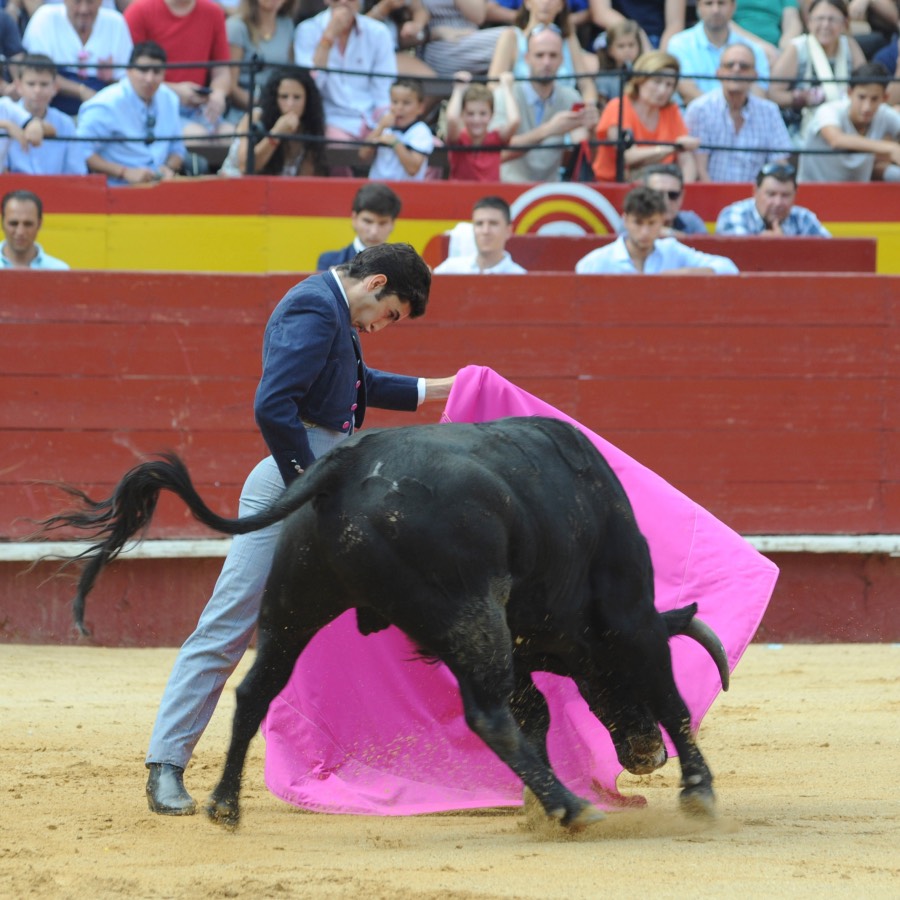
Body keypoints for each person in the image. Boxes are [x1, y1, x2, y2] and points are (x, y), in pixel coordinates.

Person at [143, 242, 456, 816]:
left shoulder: (333, 307)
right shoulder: (315, 307)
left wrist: (438, 388)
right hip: (299, 481)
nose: (383, 327)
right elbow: (273, 405)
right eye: (390, 314)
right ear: (374, 282)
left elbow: (359, 383)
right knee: (231, 621)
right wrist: (305, 485)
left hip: (332, 475)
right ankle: (166, 763)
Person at [492, 24, 598, 183]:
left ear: (562, 59)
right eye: (540, 55)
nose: (546, 62)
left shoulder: (571, 97)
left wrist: (592, 131)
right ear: (527, 58)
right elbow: (495, 154)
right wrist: (549, 130)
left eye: (553, 55)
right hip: (507, 187)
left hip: (550, 193)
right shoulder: (504, 95)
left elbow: (584, 155)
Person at [76, 41, 186, 184]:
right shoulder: (106, 104)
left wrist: (168, 167)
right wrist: (123, 172)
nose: (150, 79)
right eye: (143, 70)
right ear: (129, 71)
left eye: (157, 72)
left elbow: (177, 148)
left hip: (161, 189)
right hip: (116, 192)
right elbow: (80, 150)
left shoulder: (170, 99)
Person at [125, 0, 233, 143]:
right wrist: (175, 91)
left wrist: (218, 94)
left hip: (200, 106)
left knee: (231, 137)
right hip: (153, 107)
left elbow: (222, 71)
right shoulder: (139, 11)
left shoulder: (213, 12)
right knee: (197, 137)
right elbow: (127, 75)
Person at [684, 42, 793, 182]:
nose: (736, 70)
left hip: (757, 200)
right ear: (719, 73)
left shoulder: (770, 111)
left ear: (755, 75)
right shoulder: (700, 109)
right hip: (712, 196)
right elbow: (699, 170)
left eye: (744, 66)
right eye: (729, 65)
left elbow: (780, 165)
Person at [294, 0, 396, 143]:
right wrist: (328, 37)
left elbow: (383, 89)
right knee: (336, 147)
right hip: (330, 119)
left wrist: (384, 125)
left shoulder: (379, 32)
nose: (344, 2)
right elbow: (312, 86)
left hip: (371, 118)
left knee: (427, 147)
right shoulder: (307, 30)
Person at [576, 186, 738, 274]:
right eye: (638, 223)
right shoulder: (597, 262)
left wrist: (685, 273)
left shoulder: (672, 250)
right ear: (625, 220)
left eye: (651, 223)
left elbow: (728, 268)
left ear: (662, 221)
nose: (645, 232)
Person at [592, 50, 699, 182]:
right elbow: (628, 156)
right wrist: (672, 147)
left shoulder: (671, 110)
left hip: (662, 188)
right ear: (640, 80)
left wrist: (684, 192)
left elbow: (686, 158)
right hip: (615, 187)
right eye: (657, 81)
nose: (663, 91)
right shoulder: (617, 107)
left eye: (669, 84)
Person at [768, 0, 866, 143]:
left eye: (832, 19)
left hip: (847, 124)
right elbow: (772, 94)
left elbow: (867, 82)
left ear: (845, 22)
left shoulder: (849, 45)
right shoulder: (798, 47)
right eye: (820, 18)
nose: (825, 25)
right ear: (808, 21)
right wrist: (803, 97)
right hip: (804, 128)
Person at [22, 0, 134, 116]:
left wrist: (105, 89)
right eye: (77, 2)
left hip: (103, 113)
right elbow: (36, 74)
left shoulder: (116, 22)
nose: (83, 9)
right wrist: (82, 91)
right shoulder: (44, 18)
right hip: (52, 113)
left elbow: (124, 79)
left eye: (90, 3)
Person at [798, 61, 900, 182]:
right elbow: (836, 139)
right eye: (861, 97)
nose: (867, 107)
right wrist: (891, 148)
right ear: (849, 93)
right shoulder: (828, 110)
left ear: (885, 98)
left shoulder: (885, 114)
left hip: (860, 195)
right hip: (812, 193)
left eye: (874, 99)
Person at [219, 65, 327, 176]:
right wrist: (276, 134)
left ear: (307, 100)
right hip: (234, 185)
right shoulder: (255, 117)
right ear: (274, 98)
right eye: (284, 97)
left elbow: (304, 181)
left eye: (297, 97)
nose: (290, 104)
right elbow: (245, 166)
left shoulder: (310, 127)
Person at [487, 0, 599, 106]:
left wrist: (588, 108)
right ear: (527, 2)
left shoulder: (568, 38)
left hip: (564, 113)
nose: (546, 3)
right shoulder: (511, 37)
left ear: (561, 5)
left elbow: (586, 85)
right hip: (521, 116)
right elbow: (493, 85)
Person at [666, 0, 770, 107]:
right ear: (698, 7)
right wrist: (722, 113)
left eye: (721, 3)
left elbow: (759, 94)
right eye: (709, 3)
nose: (715, 10)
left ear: (733, 7)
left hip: (744, 120)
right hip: (695, 119)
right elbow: (687, 91)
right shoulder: (679, 44)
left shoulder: (754, 49)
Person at [8, 55, 86, 175]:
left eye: (44, 84)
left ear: (55, 87)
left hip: (57, 190)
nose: (37, 90)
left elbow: (76, 173)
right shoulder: (5, 117)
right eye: (31, 84)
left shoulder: (65, 124)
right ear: (18, 86)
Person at [225, 0, 296, 121]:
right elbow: (231, 87)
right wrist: (264, 107)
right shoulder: (236, 26)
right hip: (243, 112)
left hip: (280, 107)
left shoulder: (287, 25)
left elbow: (291, 74)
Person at [715, 161, 831, 234]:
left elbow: (830, 251)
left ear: (795, 195)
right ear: (755, 192)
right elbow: (737, 254)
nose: (778, 202)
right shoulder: (734, 215)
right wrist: (765, 245)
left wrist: (785, 246)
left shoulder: (803, 218)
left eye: (785, 195)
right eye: (771, 194)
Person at [445, 70, 520, 181]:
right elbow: (452, 118)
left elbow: (515, 121)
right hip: (461, 196)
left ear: (492, 115)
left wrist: (507, 89)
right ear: (462, 115)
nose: (476, 120)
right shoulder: (458, 138)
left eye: (483, 114)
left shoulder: (496, 138)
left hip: (489, 196)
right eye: (470, 114)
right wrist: (458, 89)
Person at [358, 76, 434, 180]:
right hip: (377, 188)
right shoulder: (383, 126)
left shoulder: (421, 132)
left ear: (420, 108)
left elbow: (412, 169)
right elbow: (363, 155)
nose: (399, 108)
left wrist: (395, 143)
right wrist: (380, 127)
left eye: (406, 103)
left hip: (406, 191)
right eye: (394, 102)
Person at [316, 183, 401, 269]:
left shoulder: (402, 266)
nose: (374, 232)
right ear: (354, 219)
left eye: (382, 223)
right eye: (368, 221)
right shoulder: (329, 262)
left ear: (392, 224)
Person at [434, 195, 527, 273]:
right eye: (479, 224)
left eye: (493, 223)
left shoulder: (520, 276)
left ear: (508, 231)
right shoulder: (450, 270)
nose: (485, 231)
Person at [420, 0, 505, 80]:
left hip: (470, 41)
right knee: (512, 36)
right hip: (439, 48)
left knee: (512, 37)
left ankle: (497, 89)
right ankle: (494, 89)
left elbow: (478, 16)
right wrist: (435, 33)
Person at [1, 189, 69, 270]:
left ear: (39, 224)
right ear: (2, 223)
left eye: (28, 224)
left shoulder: (58, 270)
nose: (20, 232)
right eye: (13, 223)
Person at [588, 0, 686, 51]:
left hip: (659, 41)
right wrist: (637, 35)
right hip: (617, 36)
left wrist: (659, 60)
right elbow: (600, 13)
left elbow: (675, 24)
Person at [638, 163, 707, 235]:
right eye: (657, 195)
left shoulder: (691, 223)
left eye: (673, 195)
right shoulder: (629, 224)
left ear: (681, 197)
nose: (666, 202)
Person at [594, 18, 641, 103]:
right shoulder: (604, 78)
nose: (627, 50)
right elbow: (602, 107)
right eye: (621, 46)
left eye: (631, 45)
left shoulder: (641, 74)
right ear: (610, 50)